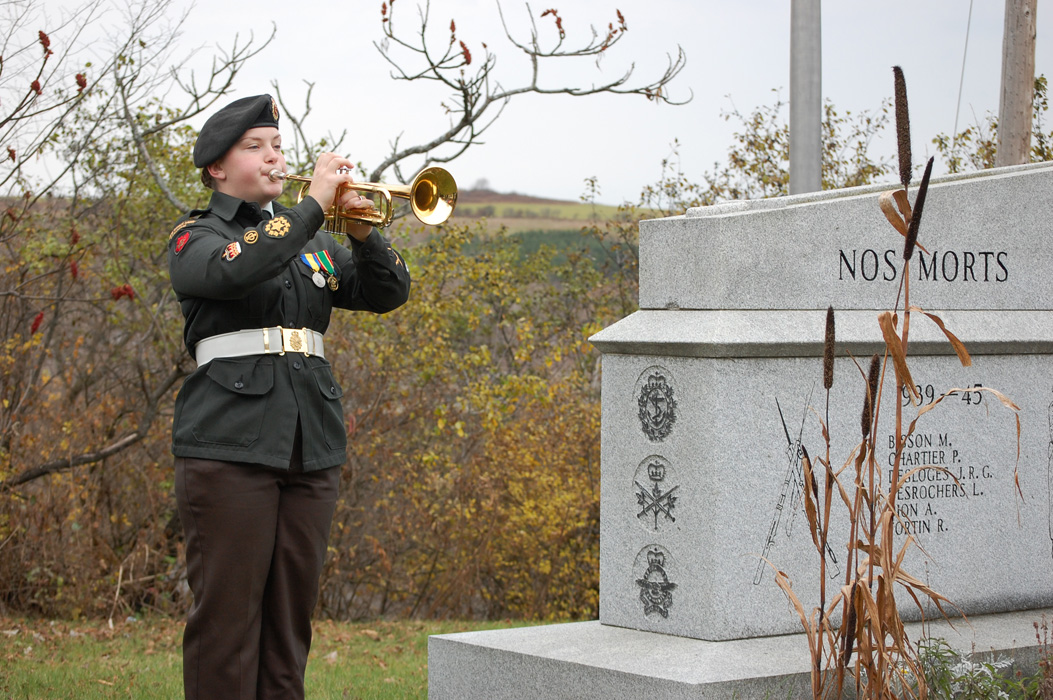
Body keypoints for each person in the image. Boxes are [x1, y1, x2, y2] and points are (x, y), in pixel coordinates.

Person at [167, 94, 411, 700]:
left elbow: (388, 293)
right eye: (254, 147)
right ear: (216, 169)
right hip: (227, 445)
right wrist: (312, 206)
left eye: (277, 145)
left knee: (289, 624)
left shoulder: (314, 243)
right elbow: (238, 267)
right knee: (227, 626)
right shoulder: (197, 236)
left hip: (311, 444)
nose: (273, 156)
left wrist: (363, 235)